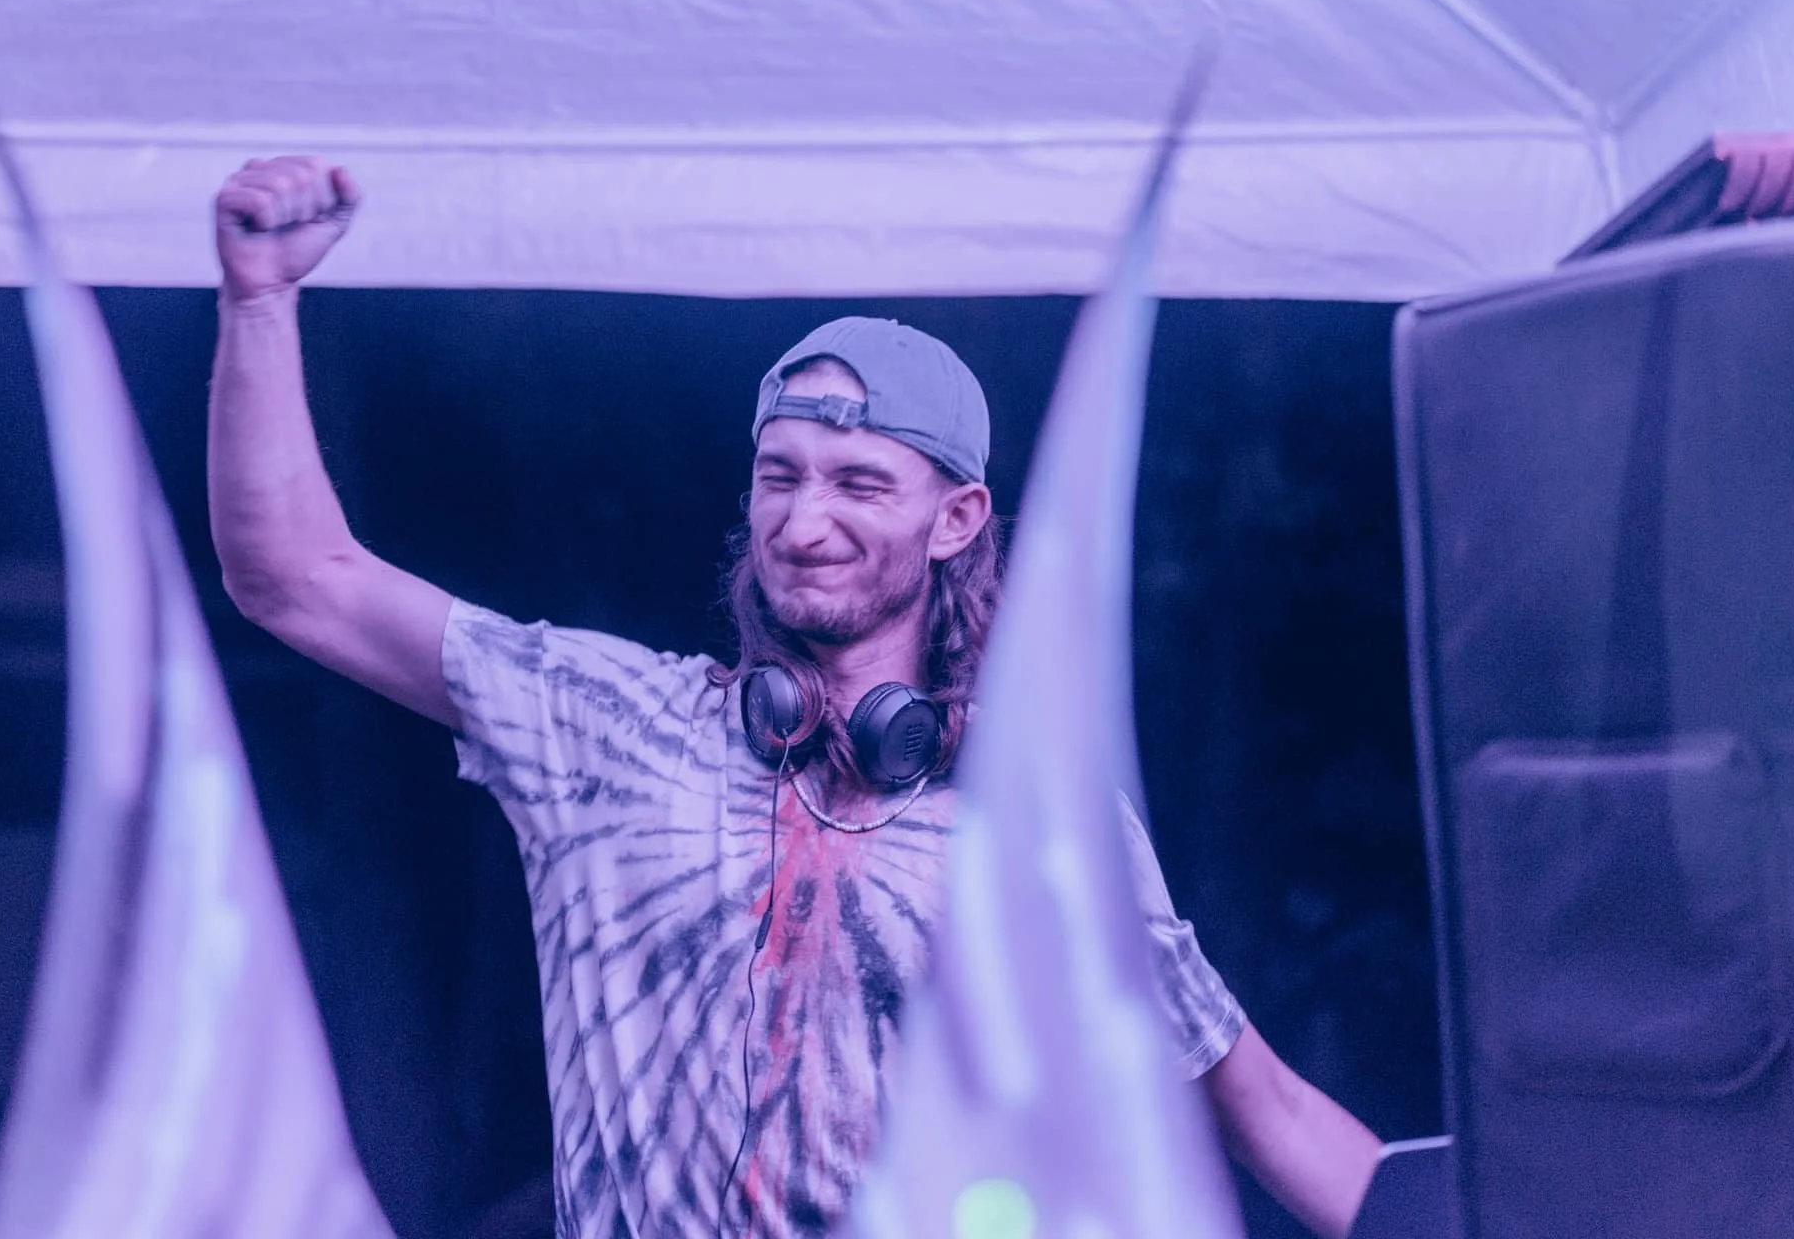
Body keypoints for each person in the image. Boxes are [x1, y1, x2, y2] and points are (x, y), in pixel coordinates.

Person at [206, 156, 1385, 1238]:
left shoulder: (1043, 826)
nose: (803, 520)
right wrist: (259, 303)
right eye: (781, 476)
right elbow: (297, 575)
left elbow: (1261, 1101)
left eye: (859, 482)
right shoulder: (599, 723)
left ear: (955, 520)